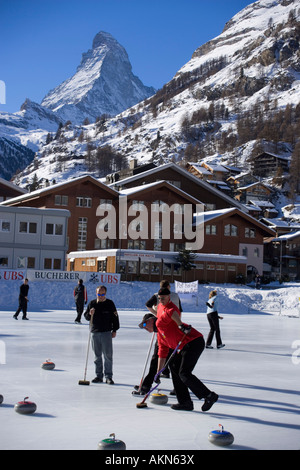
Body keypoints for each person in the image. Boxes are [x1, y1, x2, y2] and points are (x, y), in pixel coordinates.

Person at [139, 287, 219, 412]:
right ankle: (185, 402)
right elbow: (162, 355)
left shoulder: (162, 320)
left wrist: (181, 325)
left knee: (184, 373)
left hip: (194, 341)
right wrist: (158, 373)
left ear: (151, 320)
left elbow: (172, 312)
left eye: (144, 324)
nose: (144, 328)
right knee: (175, 368)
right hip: (184, 345)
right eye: (160, 299)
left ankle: (209, 396)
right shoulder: (160, 336)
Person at [134, 281, 182, 394]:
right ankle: (147, 384)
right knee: (163, 360)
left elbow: (148, 304)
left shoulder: (162, 299)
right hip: (165, 331)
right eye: (160, 298)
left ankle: (177, 388)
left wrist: (157, 315)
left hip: (170, 333)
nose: (161, 299)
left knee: (171, 363)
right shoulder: (166, 300)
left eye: (162, 297)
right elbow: (180, 312)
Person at [84, 285, 119, 384]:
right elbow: (86, 316)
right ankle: (98, 376)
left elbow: (115, 317)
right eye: (99, 293)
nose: (101, 295)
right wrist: (90, 314)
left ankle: (108, 376)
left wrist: (115, 330)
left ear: (105, 293)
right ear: (96, 293)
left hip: (106, 332)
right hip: (95, 332)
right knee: (97, 355)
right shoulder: (92, 303)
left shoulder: (110, 303)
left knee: (108, 355)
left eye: (102, 293)